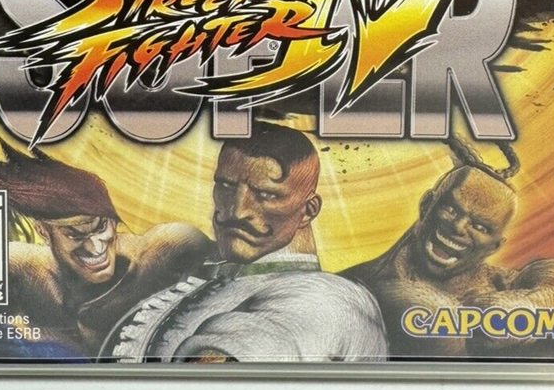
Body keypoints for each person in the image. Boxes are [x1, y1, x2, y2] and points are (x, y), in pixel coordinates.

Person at [100, 122, 387, 363]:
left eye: (267, 195)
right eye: (225, 186)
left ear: (309, 210)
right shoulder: (215, 272)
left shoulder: (326, 296)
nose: (237, 211)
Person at [0, 140, 211, 359]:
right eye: (75, 234)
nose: (95, 245)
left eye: (101, 227)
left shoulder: (168, 250)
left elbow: (237, 287)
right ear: (42, 232)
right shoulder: (22, 271)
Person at [343, 138, 554, 358]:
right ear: (426, 205)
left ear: (495, 246)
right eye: (451, 209)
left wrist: (533, 306)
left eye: (480, 227)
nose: (458, 227)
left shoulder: (506, 286)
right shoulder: (357, 285)